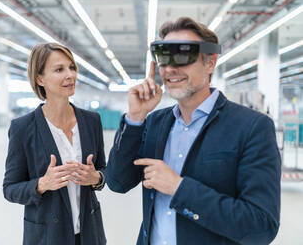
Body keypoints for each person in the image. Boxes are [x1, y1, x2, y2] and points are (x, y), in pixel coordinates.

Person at [106, 17, 280, 245]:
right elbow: (118, 183)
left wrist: (179, 189)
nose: (170, 69)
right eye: (164, 58)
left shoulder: (252, 127)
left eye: (183, 56)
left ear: (210, 62)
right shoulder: (156, 123)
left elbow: (260, 226)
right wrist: (135, 119)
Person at [3, 43, 107, 245]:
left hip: (90, 235)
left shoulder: (91, 121)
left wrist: (96, 177)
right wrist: (42, 184)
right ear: (40, 78)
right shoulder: (23, 128)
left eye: (72, 67)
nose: (70, 75)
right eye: (59, 69)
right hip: (47, 237)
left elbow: (103, 170)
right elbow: (10, 188)